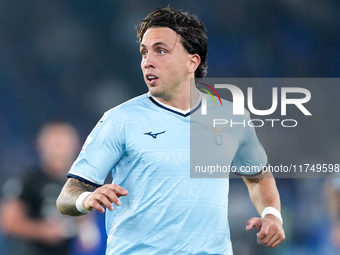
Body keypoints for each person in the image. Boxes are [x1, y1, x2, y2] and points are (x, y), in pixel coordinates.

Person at [56, 7, 285, 255]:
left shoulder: (231, 117)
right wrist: (85, 199)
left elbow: (258, 177)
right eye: (144, 52)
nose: (147, 61)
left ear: (192, 62)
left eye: (160, 51)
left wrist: (272, 215)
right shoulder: (119, 120)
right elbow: (67, 195)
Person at [0, 121, 100, 255]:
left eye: (64, 144)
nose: (59, 150)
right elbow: (8, 222)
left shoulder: (81, 183)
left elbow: (86, 231)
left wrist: (86, 230)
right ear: (41, 145)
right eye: (55, 144)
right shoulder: (27, 180)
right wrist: (42, 231)